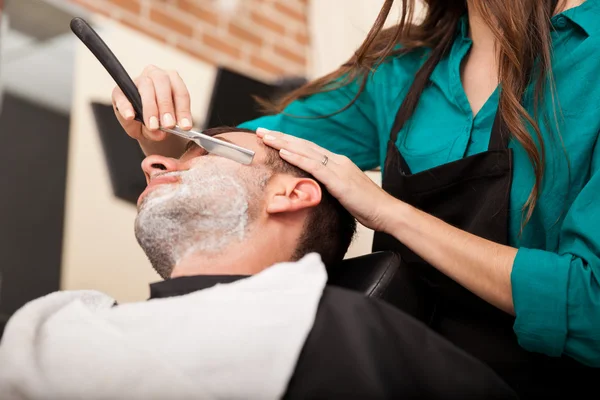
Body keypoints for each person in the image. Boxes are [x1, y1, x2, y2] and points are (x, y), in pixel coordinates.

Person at [111, 0, 600, 398]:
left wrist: (388, 211)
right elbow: (253, 161)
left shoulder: (590, 54)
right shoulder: (400, 70)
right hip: (392, 370)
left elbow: (591, 308)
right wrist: (157, 130)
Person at [0, 127, 517, 399]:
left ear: (292, 193)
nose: (152, 160)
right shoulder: (60, 327)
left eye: (204, 152)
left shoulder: (353, 336)